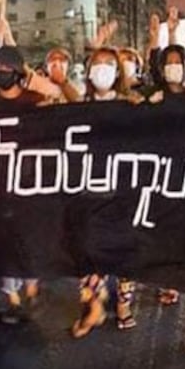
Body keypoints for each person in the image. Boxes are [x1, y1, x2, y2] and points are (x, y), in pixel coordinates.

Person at [71, 47, 142, 338]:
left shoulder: (132, 105)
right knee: (87, 248)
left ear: (119, 71)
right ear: (88, 71)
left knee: (125, 251)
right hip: (87, 191)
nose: (102, 69)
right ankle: (93, 304)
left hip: (124, 190)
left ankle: (123, 306)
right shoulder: (78, 104)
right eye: (96, 63)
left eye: (109, 64)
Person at [0, 40, 44, 325]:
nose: (0, 72)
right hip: (0, 183)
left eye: (6, 68)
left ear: (17, 71)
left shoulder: (35, 100)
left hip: (31, 181)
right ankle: (12, 297)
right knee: (7, 240)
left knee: (30, 237)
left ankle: (31, 281)